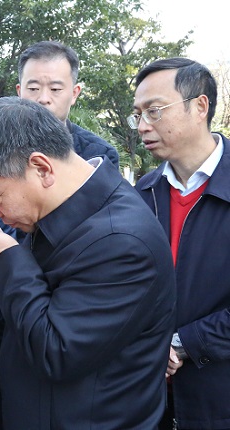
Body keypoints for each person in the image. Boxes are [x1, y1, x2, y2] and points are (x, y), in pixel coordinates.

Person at [0, 97, 176, 429]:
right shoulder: (59, 209)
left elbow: (57, 352)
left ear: (42, 168)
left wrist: (9, 259)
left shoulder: (122, 241)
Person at [131, 57, 230, 430]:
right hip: (150, 399)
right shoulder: (141, 196)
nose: (143, 125)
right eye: (138, 115)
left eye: (154, 111)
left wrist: (184, 344)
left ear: (200, 106)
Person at [17, 40, 119, 168]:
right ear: (19, 92)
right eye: (33, 88)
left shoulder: (99, 155)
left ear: (74, 94)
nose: (43, 99)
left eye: (55, 89)